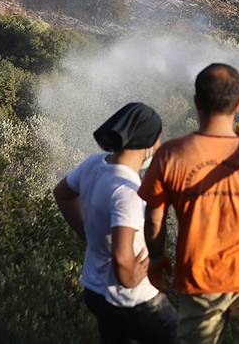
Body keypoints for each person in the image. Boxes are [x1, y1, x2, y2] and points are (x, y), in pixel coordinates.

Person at [138, 63, 239, 344]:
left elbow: (153, 218)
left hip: (200, 281)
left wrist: (157, 257)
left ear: (196, 101)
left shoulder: (169, 154)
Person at [54, 102, 179, 344]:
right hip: (133, 299)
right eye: (159, 140)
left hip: (95, 289)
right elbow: (122, 258)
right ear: (149, 144)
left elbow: (61, 194)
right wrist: (129, 278)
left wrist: (88, 235)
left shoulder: (92, 164)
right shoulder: (129, 192)